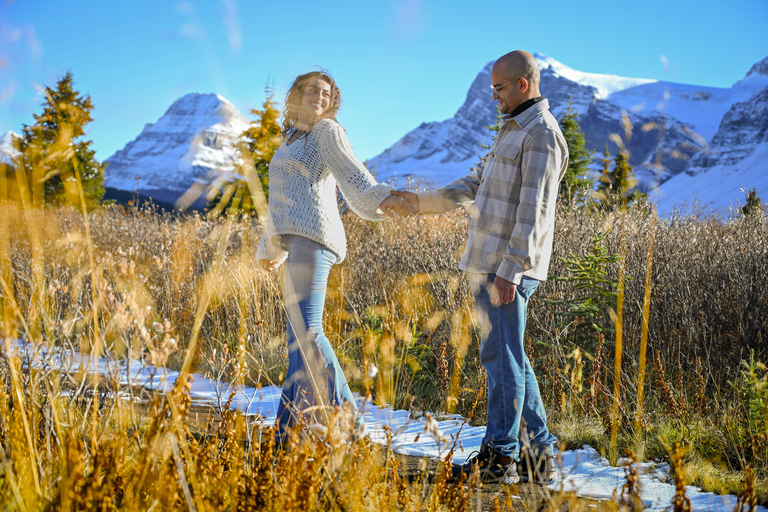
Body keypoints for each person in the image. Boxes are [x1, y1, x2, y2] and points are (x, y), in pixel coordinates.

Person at [391, 51, 568, 484]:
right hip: (488, 263)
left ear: (523, 85)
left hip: (505, 269)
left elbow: (535, 210)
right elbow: (474, 185)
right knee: (512, 360)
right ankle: (538, 457)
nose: (493, 97)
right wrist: (419, 203)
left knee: (500, 359)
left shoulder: (541, 134)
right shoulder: (512, 131)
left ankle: (499, 456)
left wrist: (511, 268)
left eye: (499, 88)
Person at [256, 70, 411, 445]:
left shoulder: (327, 132)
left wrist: (379, 197)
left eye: (327, 93)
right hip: (295, 244)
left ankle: (349, 425)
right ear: (297, 95)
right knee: (297, 340)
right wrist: (270, 246)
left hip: (315, 240)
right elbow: (280, 199)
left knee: (308, 332)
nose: (320, 97)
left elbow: (350, 171)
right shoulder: (290, 138)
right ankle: (287, 433)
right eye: (313, 90)